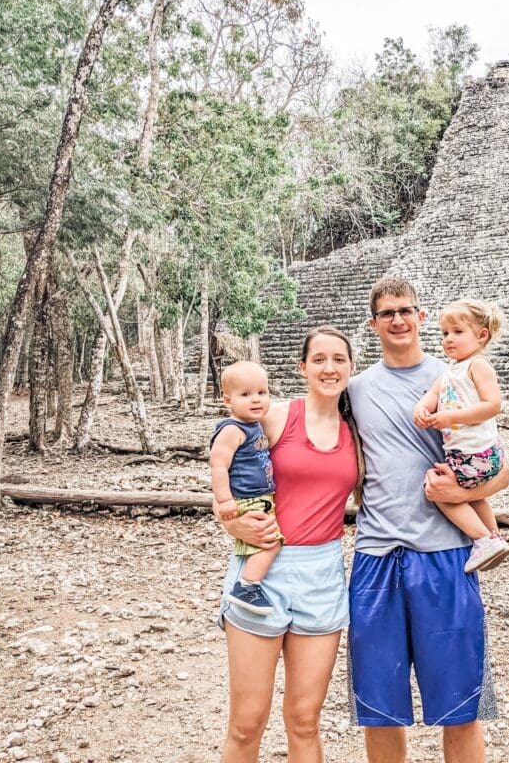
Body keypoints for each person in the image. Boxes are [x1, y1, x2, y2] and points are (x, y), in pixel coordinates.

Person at [347, 277, 509, 763]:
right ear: (374, 323)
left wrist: (463, 490)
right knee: (378, 705)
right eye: (387, 313)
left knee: (461, 704)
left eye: (406, 310)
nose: (398, 320)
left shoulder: (458, 374)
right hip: (376, 555)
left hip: (445, 554)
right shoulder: (354, 390)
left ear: (421, 317)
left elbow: (500, 470)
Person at [214, 326, 362, 763]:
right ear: (302, 368)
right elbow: (227, 476)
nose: (329, 367)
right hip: (263, 570)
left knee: (304, 720)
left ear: (351, 367)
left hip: (323, 574)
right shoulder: (274, 417)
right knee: (245, 723)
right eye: (319, 359)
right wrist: (233, 524)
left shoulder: (358, 432)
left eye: (339, 359)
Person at [413, 299, 509, 573]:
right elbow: (431, 397)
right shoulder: (450, 370)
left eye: (457, 332)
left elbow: (493, 405)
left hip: (475, 453)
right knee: (472, 495)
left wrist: (450, 417)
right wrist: (421, 410)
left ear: (481, 336)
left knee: (440, 493)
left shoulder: (477, 365)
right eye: (445, 333)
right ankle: (494, 536)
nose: (448, 339)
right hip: (470, 453)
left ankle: (482, 540)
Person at [210, 360, 282, 615]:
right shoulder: (232, 429)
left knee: (265, 539)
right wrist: (225, 501)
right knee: (270, 542)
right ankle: (247, 586)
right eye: (246, 394)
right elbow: (218, 465)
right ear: (228, 401)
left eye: (262, 393)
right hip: (247, 497)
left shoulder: (255, 425)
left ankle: (249, 582)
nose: (256, 400)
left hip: (259, 496)